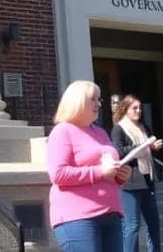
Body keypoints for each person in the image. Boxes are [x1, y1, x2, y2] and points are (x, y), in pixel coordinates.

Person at [46, 80, 131, 251]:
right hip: (78, 218)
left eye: (99, 99)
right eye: (93, 99)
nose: (99, 104)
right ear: (77, 101)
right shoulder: (62, 131)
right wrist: (100, 172)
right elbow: (58, 174)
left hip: (111, 212)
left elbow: (107, 170)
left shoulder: (100, 132)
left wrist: (119, 175)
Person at [110, 95, 163, 252]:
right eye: (134, 108)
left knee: (154, 223)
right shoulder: (119, 129)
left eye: (140, 108)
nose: (139, 111)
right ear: (125, 110)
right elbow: (118, 151)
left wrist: (153, 147)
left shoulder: (144, 128)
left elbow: (149, 151)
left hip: (148, 179)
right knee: (132, 226)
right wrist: (141, 147)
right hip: (130, 182)